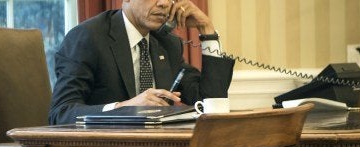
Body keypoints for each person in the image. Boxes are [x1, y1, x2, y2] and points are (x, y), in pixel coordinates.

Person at [49, 0, 235, 125]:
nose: (163, 3)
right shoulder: (88, 37)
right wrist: (125, 107)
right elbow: (61, 114)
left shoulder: (168, 43)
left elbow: (210, 102)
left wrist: (206, 29)